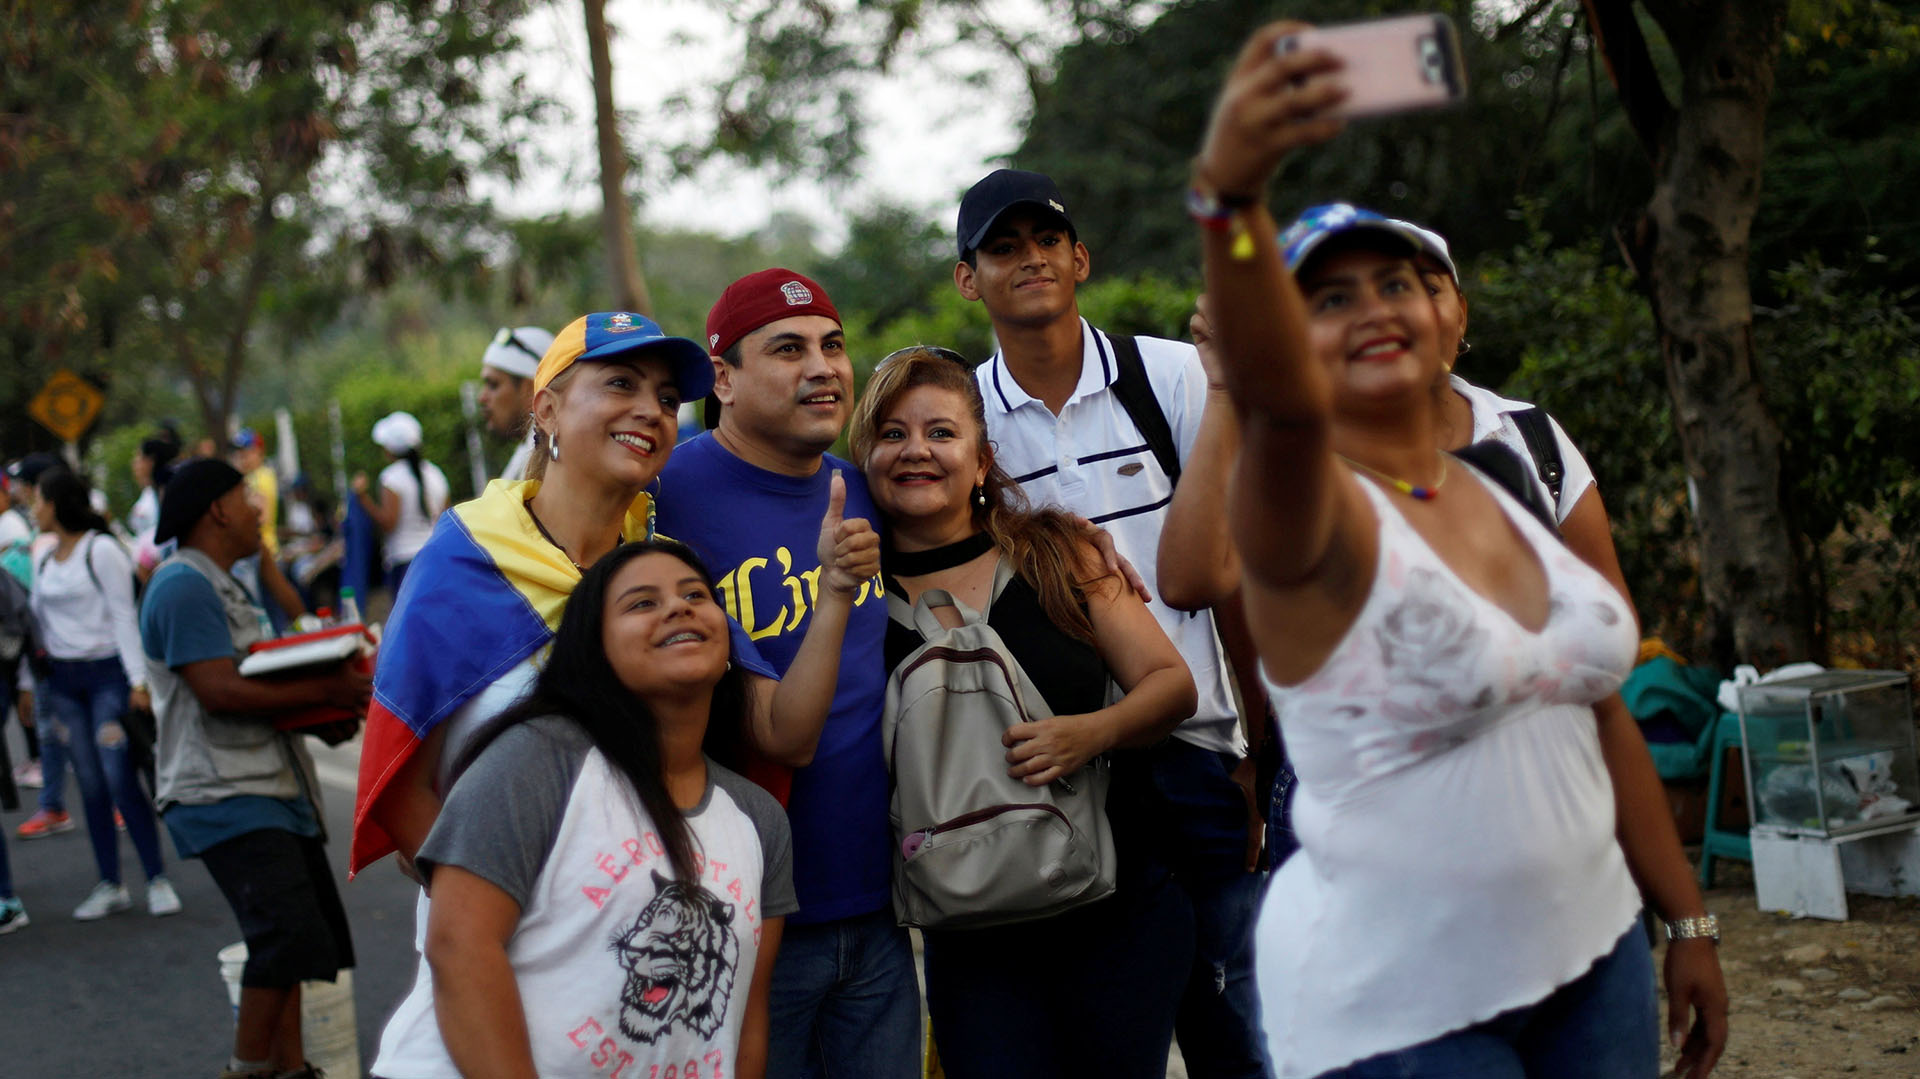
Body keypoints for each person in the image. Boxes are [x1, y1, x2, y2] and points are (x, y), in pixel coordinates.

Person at [1186, 25, 1728, 1078]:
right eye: (1328, 298)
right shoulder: (1305, 517)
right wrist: (1229, 201)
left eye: (1397, 281)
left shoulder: (1507, 474)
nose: (1373, 309)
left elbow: (1599, 708)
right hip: (1404, 1005)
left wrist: (1688, 923)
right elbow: (1282, 415)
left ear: (1449, 313)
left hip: (1595, 954)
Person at [351, 310, 864, 881]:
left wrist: (837, 590)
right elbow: (400, 786)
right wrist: (499, 925)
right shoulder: (465, 558)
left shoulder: (667, 570)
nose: (651, 410)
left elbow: (782, 735)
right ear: (547, 409)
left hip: (651, 944)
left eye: (668, 399)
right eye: (621, 383)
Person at [951, 168, 1270, 1076]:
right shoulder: (964, 421)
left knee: (1237, 1031)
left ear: (1079, 257)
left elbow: (1234, 575)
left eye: (1046, 241)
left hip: (1196, 751)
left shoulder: (1169, 376)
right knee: (1104, 1041)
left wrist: (1255, 747)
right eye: (1003, 248)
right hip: (1051, 771)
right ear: (968, 279)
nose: (1031, 260)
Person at [851, 346, 1199, 1077]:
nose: (916, 449)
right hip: (971, 937)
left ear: (981, 461)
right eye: (891, 433)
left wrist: (1091, 733)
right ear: (865, 456)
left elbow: (1171, 684)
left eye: (941, 432)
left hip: (1116, 911)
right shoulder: (846, 599)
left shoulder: (1058, 551)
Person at [373, 538, 796, 1079]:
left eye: (695, 595)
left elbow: (747, 1020)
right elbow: (458, 947)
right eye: (642, 603)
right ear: (593, 651)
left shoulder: (760, 820)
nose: (677, 607)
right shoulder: (536, 760)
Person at [655, 268, 919, 1078]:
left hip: (881, 913)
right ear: (724, 380)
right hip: (742, 919)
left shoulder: (867, 488)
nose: (823, 366)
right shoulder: (665, 496)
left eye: (833, 346)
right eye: (789, 348)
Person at [140, 458, 369, 1079]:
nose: (258, 508)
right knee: (282, 934)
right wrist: (331, 695)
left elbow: (255, 680)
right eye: (246, 496)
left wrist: (323, 714)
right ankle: (246, 1070)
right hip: (222, 794)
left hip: (264, 787)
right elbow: (220, 691)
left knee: (297, 943)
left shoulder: (219, 580)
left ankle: (291, 1069)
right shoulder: (183, 584)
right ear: (216, 510)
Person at [20, 467, 179, 919]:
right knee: (89, 784)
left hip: (109, 678)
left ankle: (156, 878)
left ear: (57, 504)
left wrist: (137, 683)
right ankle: (111, 883)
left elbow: (124, 616)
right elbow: (39, 626)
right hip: (64, 684)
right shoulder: (45, 557)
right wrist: (30, 685)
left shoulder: (103, 549)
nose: (33, 508)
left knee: (117, 775)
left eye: (39, 501)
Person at [351, 411, 451, 600]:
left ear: (390, 449)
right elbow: (445, 518)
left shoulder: (391, 477)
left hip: (405, 563)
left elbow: (389, 523)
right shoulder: (436, 473)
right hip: (438, 557)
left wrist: (363, 498)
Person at [229, 429, 307, 630]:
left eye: (246, 452)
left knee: (268, 617)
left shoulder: (259, 477)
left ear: (259, 452)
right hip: (263, 552)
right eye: (239, 453)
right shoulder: (258, 476)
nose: (242, 457)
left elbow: (260, 517)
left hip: (265, 553)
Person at [478, 325, 557, 481]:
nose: (482, 398)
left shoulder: (551, 466)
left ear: (531, 390)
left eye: (493, 385)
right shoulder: (529, 452)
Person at [128, 428, 183, 583]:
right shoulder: (149, 493)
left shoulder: (164, 493)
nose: (134, 464)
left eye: (138, 457)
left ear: (150, 461)